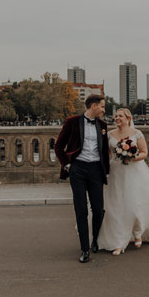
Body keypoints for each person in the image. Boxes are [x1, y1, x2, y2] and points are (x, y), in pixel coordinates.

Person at [98, 108, 149, 255]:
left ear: (128, 118)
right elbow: (107, 155)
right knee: (116, 206)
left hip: (134, 172)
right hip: (116, 172)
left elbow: (144, 153)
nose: (117, 118)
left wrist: (130, 157)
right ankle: (118, 241)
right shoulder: (109, 135)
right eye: (115, 116)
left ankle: (137, 232)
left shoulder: (137, 134)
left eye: (120, 116)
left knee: (134, 204)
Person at [54, 94, 110, 263]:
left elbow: (104, 150)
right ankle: (84, 249)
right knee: (81, 210)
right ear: (93, 106)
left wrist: (105, 170)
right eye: (102, 106)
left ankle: (95, 240)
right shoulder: (72, 122)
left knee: (98, 210)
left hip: (95, 170)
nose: (103, 109)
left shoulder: (103, 125)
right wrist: (67, 164)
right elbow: (58, 146)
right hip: (78, 168)